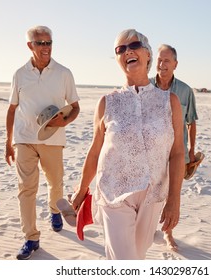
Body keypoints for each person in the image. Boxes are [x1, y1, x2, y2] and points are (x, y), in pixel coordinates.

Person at [71, 29, 185, 260]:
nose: (127, 52)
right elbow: (95, 151)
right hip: (114, 193)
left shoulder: (169, 101)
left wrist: (174, 199)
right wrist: (82, 188)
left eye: (133, 46)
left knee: (138, 257)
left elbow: (177, 153)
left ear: (147, 54)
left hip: (154, 195)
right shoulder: (107, 102)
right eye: (120, 49)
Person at [5, 25, 80, 260]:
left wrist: (63, 122)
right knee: (26, 189)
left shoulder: (64, 73)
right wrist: (9, 142)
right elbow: (12, 108)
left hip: (53, 140)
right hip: (24, 139)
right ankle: (31, 238)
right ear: (30, 45)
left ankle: (55, 210)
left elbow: (75, 108)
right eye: (41, 43)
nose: (46, 48)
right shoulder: (19, 74)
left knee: (55, 182)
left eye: (49, 43)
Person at [149, 44, 200, 251]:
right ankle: (148, 229)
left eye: (167, 61)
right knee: (150, 193)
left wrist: (190, 152)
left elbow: (192, 122)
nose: (162, 64)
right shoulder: (146, 87)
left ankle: (168, 233)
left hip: (176, 153)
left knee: (172, 195)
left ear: (175, 64)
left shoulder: (185, 91)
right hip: (150, 152)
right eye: (159, 60)